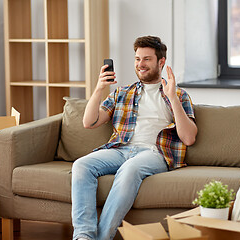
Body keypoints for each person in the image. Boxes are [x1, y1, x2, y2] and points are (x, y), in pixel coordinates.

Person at [71, 35, 198, 240]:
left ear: (161, 62)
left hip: (154, 153)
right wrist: (98, 88)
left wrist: (172, 97)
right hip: (120, 149)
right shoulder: (122, 93)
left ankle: (102, 237)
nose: (141, 64)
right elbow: (89, 122)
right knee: (81, 165)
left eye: (147, 59)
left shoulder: (178, 94)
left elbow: (189, 138)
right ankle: (84, 236)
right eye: (137, 59)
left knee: (129, 169)